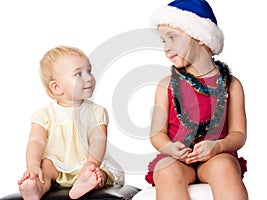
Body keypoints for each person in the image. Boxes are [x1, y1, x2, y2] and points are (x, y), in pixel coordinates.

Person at [145, 0, 248, 199]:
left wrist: (218, 146)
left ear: (200, 37)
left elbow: (238, 134)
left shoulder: (231, 85)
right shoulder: (166, 85)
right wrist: (170, 148)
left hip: (216, 156)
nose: (167, 47)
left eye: (172, 38)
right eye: (164, 41)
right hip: (178, 160)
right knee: (165, 169)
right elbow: (157, 134)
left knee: (225, 166)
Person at [17, 46, 124, 200]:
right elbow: (36, 141)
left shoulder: (96, 112)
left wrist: (91, 163)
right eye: (78, 74)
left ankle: (87, 182)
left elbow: (98, 139)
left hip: (88, 163)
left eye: (89, 71)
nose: (88, 78)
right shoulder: (44, 114)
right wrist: (32, 166)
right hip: (58, 166)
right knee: (45, 166)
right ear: (57, 87)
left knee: (101, 173)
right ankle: (36, 187)